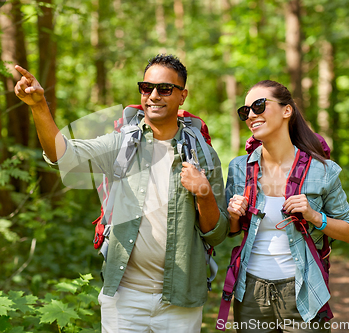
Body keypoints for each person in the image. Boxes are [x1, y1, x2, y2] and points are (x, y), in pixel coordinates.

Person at [14, 54, 229, 332]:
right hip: (124, 297)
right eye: (146, 87)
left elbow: (217, 232)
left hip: (181, 299)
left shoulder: (202, 155)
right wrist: (39, 106)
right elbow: (63, 155)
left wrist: (204, 193)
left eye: (164, 89)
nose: (153, 96)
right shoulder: (122, 144)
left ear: (182, 96)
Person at [226, 80, 349, 332]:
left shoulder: (322, 170)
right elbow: (232, 231)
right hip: (251, 293)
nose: (252, 115)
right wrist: (234, 215)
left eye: (259, 105)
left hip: (304, 291)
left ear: (287, 111)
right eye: (246, 111)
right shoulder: (238, 168)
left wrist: (314, 216)